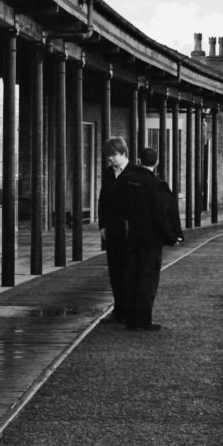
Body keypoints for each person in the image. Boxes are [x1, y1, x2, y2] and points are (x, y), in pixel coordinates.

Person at [121, 146, 184, 331]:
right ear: (156, 162)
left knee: (132, 277)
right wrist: (172, 237)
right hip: (151, 241)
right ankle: (143, 321)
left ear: (139, 160)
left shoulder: (127, 181)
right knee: (147, 280)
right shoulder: (155, 184)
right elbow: (161, 215)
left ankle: (130, 319)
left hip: (132, 237)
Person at [97, 136, 133, 323]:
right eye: (108, 156)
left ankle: (129, 310)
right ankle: (119, 309)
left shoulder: (135, 173)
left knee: (129, 270)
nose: (110, 159)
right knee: (114, 271)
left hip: (130, 231)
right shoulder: (107, 173)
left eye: (113, 155)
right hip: (112, 230)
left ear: (124, 153)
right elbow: (102, 200)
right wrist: (102, 225)